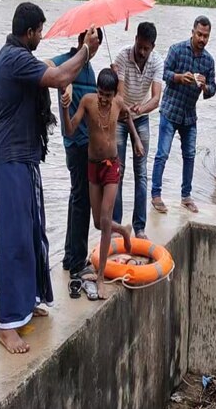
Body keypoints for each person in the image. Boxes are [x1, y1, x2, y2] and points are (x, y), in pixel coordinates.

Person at [0, 2, 98, 354]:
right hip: (9, 160)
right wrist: (85, 51)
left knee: (33, 235)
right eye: (40, 32)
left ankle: (28, 301)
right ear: (30, 32)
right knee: (14, 241)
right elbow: (58, 75)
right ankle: (7, 325)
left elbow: (49, 67)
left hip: (26, 159)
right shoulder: (12, 58)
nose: (41, 37)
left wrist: (60, 77)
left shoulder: (20, 56)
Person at [61, 69, 144, 299]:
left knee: (106, 218)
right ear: (96, 90)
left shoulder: (118, 102)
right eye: (101, 94)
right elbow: (70, 129)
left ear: (114, 92)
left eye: (108, 95)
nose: (104, 99)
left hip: (112, 167)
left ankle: (100, 277)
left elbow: (128, 117)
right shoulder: (88, 102)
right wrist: (66, 107)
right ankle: (123, 230)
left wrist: (136, 139)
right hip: (92, 166)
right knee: (98, 222)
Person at [44, 28, 104, 291]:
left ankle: (70, 257)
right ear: (81, 41)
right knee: (81, 200)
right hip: (75, 143)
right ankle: (78, 260)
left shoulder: (91, 69)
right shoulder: (67, 62)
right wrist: (63, 81)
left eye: (98, 43)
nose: (95, 47)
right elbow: (44, 66)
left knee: (77, 198)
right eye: (92, 42)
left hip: (90, 145)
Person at [151, 16, 216, 214]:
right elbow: (163, 73)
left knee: (190, 155)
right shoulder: (177, 50)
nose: (202, 39)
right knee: (162, 154)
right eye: (199, 34)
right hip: (170, 110)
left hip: (189, 114)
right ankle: (156, 194)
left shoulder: (208, 60)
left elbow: (213, 88)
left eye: (206, 36)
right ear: (192, 32)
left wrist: (205, 86)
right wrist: (179, 78)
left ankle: (186, 196)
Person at [112, 22, 164, 239]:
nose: (142, 52)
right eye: (139, 46)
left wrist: (141, 108)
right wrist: (134, 134)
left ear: (152, 46)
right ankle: (116, 225)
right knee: (118, 172)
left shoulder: (156, 61)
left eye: (146, 48)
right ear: (135, 39)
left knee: (141, 174)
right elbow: (121, 100)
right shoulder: (122, 57)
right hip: (121, 119)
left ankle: (139, 227)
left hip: (141, 118)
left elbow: (156, 99)